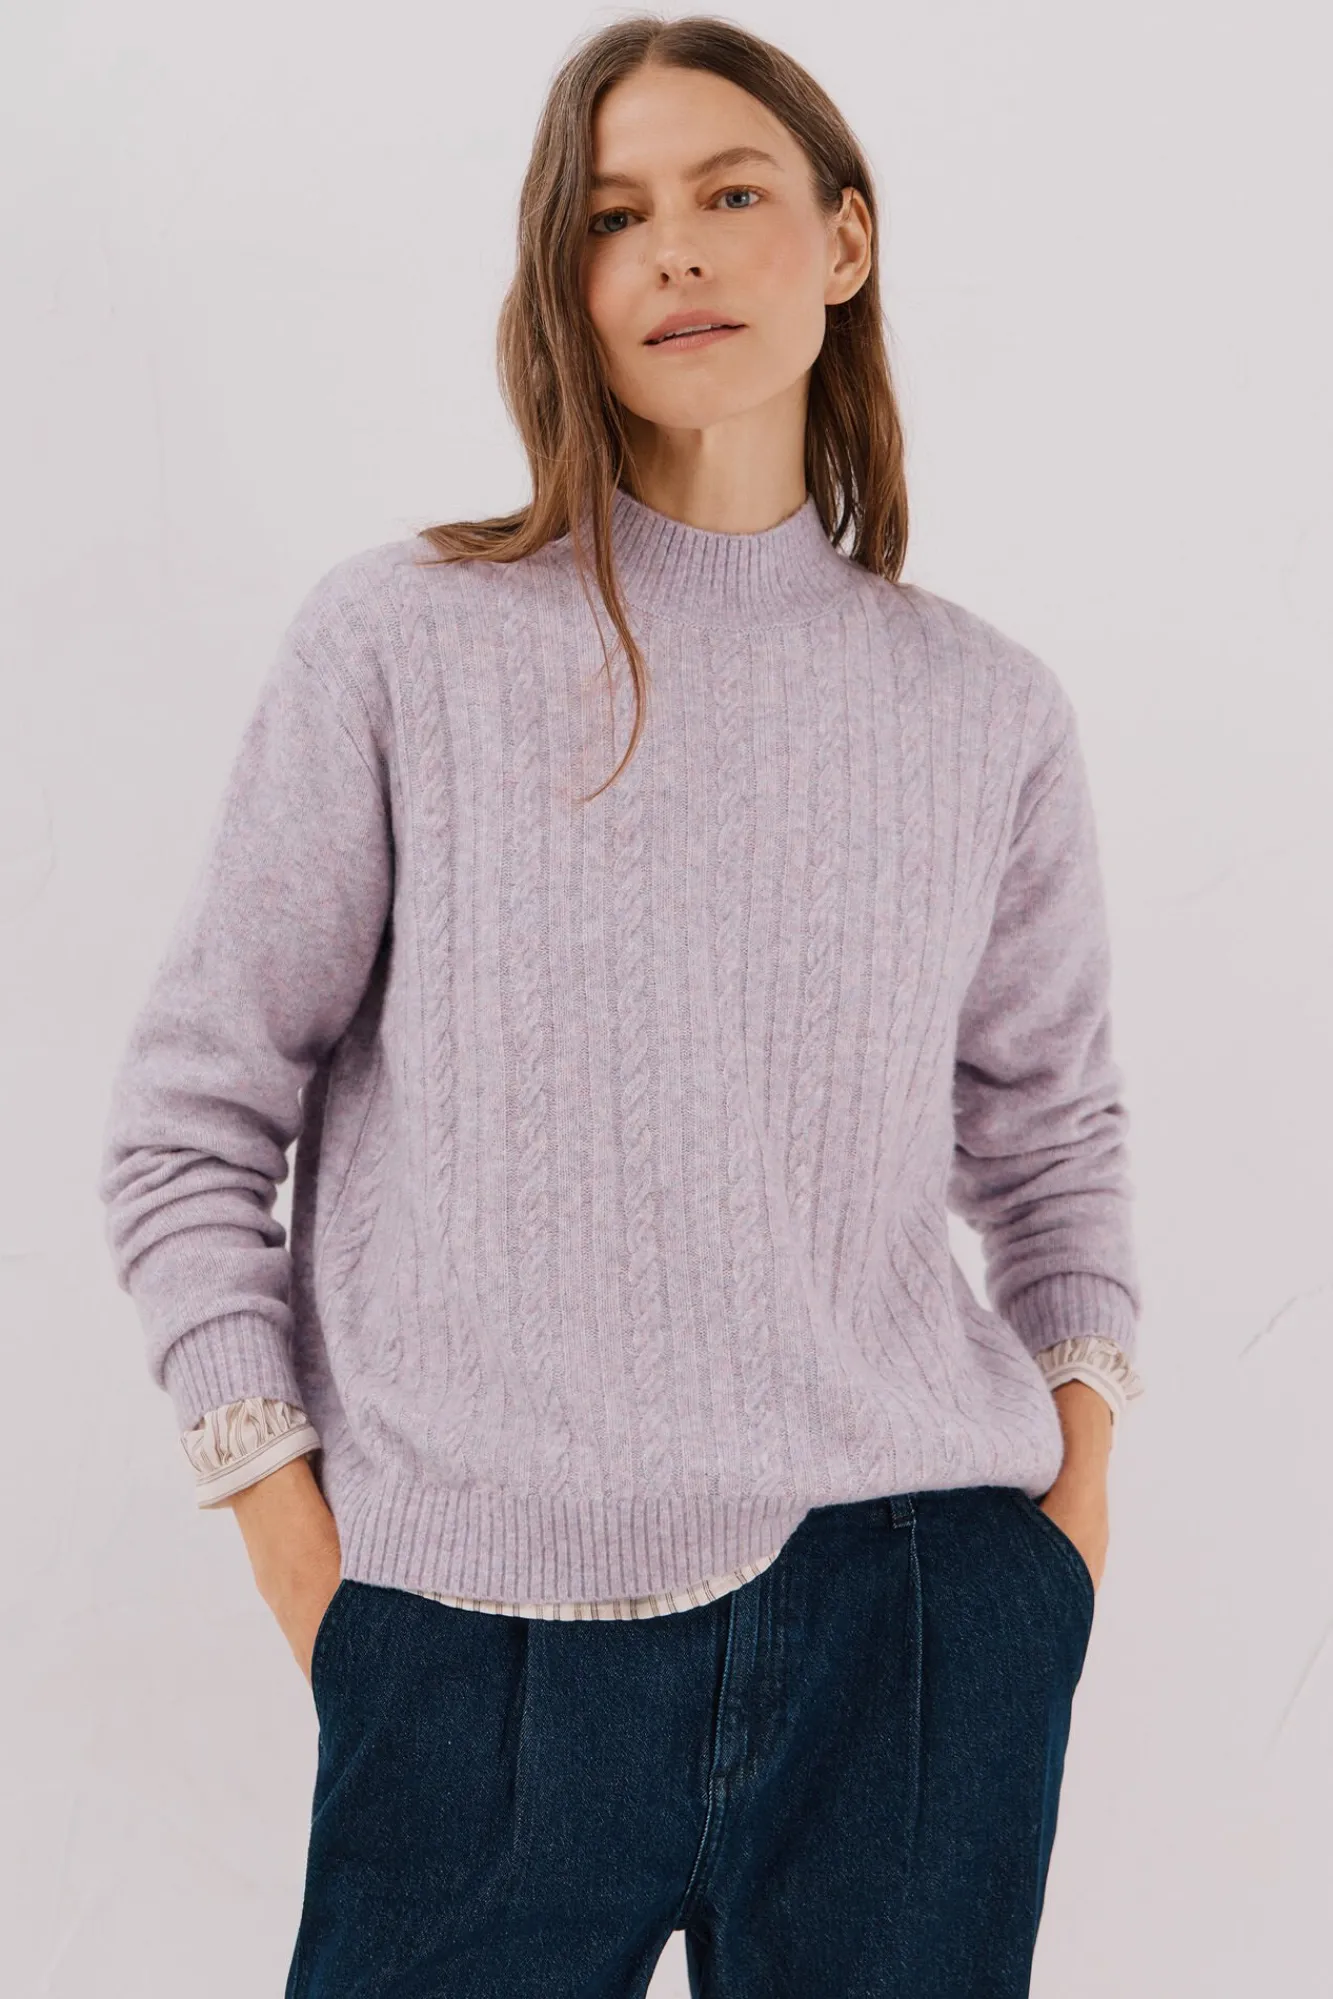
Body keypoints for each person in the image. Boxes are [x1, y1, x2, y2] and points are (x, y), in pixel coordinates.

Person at [97, 14, 1145, 1996]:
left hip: (916, 1620)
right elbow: (192, 1121)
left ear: (844, 242)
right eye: (610, 215)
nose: (673, 249)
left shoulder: (983, 708)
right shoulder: (405, 641)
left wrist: (1068, 1526)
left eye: (730, 193)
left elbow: (1053, 1140)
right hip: (469, 1642)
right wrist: (316, 1572)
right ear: (562, 280)